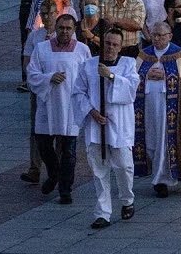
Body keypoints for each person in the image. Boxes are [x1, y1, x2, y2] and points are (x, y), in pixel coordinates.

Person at [73, 28, 140, 229]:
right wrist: (91, 111)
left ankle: (127, 199)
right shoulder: (88, 65)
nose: (110, 48)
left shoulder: (128, 65)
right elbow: (78, 92)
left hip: (119, 125)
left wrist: (111, 76)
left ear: (120, 48)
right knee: (99, 170)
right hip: (96, 124)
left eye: (114, 45)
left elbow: (130, 91)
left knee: (124, 166)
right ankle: (103, 212)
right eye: (107, 44)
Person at [133, 22, 181, 198]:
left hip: (169, 107)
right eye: (154, 35)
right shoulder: (144, 55)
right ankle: (154, 172)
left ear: (169, 36)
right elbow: (132, 77)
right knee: (150, 139)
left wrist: (167, 75)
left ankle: (162, 180)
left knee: (164, 140)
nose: (157, 39)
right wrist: (146, 75)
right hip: (147, 105)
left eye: (161, 35)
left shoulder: (179, 54)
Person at [25, 13, 88, 203]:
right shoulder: (42, 49)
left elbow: (87, 77)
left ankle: (65, 189)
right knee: (44, 145)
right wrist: (48, 78)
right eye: (61, 28)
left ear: (74, 30)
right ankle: (53, 174)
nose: (65, 32)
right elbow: (32, 73)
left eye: (69, 29)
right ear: (55, 28)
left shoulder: (82, 50)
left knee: (69, 150)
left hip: (70, 106)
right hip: (48, 104)